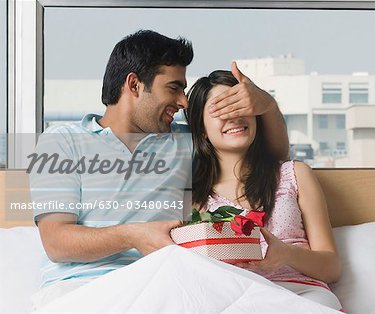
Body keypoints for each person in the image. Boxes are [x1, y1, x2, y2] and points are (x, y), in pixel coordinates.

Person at [29, 30, 289, 309]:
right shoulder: (61, 142)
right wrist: (133, 235)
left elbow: (273, 156)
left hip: (166, 282)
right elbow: (56, 242)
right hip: (82, 288)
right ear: (134, 85)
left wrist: (268, 106)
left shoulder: (185, 141)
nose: (184, 102)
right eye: (174, 88)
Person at [185, 70, 343, 311]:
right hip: (241, 300)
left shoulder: (295, 174)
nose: (234, 116)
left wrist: (287, 254)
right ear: (202, 129)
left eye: (240, 106)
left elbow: (332, 267)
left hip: (303, 296)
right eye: (221, 110)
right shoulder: (195, 201)